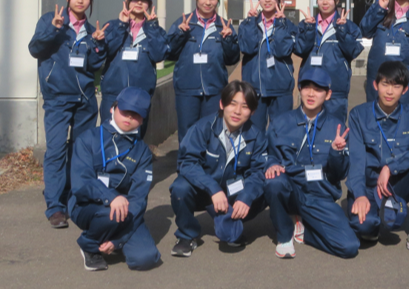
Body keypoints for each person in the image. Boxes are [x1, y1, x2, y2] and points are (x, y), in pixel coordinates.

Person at [28, 0, 107, 228]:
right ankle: (55, 206)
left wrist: (98, 45)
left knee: (81, 153)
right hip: (58, 99)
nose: (80, 0)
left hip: (84, 100)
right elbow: (35, 49)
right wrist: (53, 29)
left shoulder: (91, 30)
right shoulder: (51, 21)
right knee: (56, 151)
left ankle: (75, 198)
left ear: (90, 0)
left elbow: (95, 66)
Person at [264, 68, 359, 259]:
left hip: (320, 196)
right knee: (274, 181)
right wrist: (271, 164)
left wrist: (336, 152)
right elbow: (268, 154)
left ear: (328, 94)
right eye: (306, 87)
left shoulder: (337, 127)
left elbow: (339, 174)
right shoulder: (280, 123)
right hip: (291, 191)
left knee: (349, 246)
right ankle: (284, 236)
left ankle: (303, 232)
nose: (311, 93)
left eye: (318, 89)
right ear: (299, 89)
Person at [347, 61, 409, 258]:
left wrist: (391, 167)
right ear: (375, 85)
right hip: (370, 186)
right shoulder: (359, 115)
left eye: (396, 86)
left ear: (405, 90)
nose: (389, 91)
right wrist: (359, 194)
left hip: (398, 184)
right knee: (364, 227)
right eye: (385, 84)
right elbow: (356, 160)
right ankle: (376, 220)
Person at [170, 80, 268, 256]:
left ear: (253, 111)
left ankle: (231, 223)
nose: (237, 111)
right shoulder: (202, 128)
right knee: (180, 188)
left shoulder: (257, 136)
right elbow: (187, 162)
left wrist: (246, 197)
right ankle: (186, 235)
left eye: (245, 106)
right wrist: (213, 188)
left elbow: (258, 171)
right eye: (232, 104)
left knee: (267, 188)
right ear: (222, 104)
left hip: (234, 193)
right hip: (206, 191)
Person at [68, 87, 161, 271]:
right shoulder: (88, 139)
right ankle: (89, 245)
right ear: (113, 108)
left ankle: (110, 236)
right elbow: (81, 182)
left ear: (143, 119)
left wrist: (118, 240)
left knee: (146, 258)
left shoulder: (142, 151)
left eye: (136, 114)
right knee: (109, 214)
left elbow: (138, 198)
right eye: (125, 111)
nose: (129, 117)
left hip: (125, 211)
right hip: (87, 205)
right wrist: (111, 197)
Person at [166, 0, 240, 142]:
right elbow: (169, 53)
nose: (208, 2)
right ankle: (187, 159)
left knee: (212, 132)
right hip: (187, 90)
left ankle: (210, 160)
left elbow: (232, 58)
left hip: (214, 90)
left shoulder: (224, 26)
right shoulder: (183, 22)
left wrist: (228, 39)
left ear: (218, 0)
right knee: (187, 133)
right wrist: (180, 34)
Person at [99, 0, 168, 137]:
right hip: (113, 94)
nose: (139, 3)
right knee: (108, 138)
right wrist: (122, 25)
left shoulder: (155, 30)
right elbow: (107, 50)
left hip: (140, 96)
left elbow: (159, 55)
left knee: (135, 140)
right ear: (127, 0)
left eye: (144, 0)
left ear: (150, 4)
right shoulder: (112, 26)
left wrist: (152, 27)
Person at [294, 0, 363, 123]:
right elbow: (300, 49)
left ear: (336, 0)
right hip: (310, 89)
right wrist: (309, 29)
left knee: (334, 130)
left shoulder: (348, 26)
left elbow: (353, 51)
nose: (324, 2)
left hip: (335, 91)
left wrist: (342, 31)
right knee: (309, 129)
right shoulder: (307, 24)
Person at [238, 0, 297, 129]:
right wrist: (251, 21)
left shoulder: (288, 25)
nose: (267, 0)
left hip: (281, 89)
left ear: (279, 0)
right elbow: (247, 48)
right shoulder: (248, 24)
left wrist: (280, 24)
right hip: (254, 88)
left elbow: (283, 50)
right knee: (254, 132)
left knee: (281, 132)